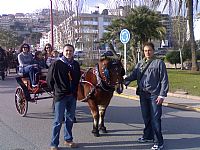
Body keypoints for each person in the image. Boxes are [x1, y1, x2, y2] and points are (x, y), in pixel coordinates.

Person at [124, 42, 169, 150]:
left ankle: (159, 142)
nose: (147, 52)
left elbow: (164, 80)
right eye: (145, 50)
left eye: (149, 50)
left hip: (154, 95)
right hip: (143, 95)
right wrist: (125, 79)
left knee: (155, 119)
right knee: (146, 117)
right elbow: (134, 75)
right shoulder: (140, 63)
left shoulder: (159, 63)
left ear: (153, 51)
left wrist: (162, 95)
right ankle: (148, 136)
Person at [47, 44, 81, 150]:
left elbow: (77, 78)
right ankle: (54, 144)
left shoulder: (75, 64)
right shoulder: (56, 64)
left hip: (72, 96)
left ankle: (68, 139)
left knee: (70, 119)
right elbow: (49, 80)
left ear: (73, 52)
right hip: (60, 96)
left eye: (70, 51)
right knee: (58, 121)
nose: (68, 53)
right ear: (63, 51)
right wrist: (56, 91)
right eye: (66, 50)